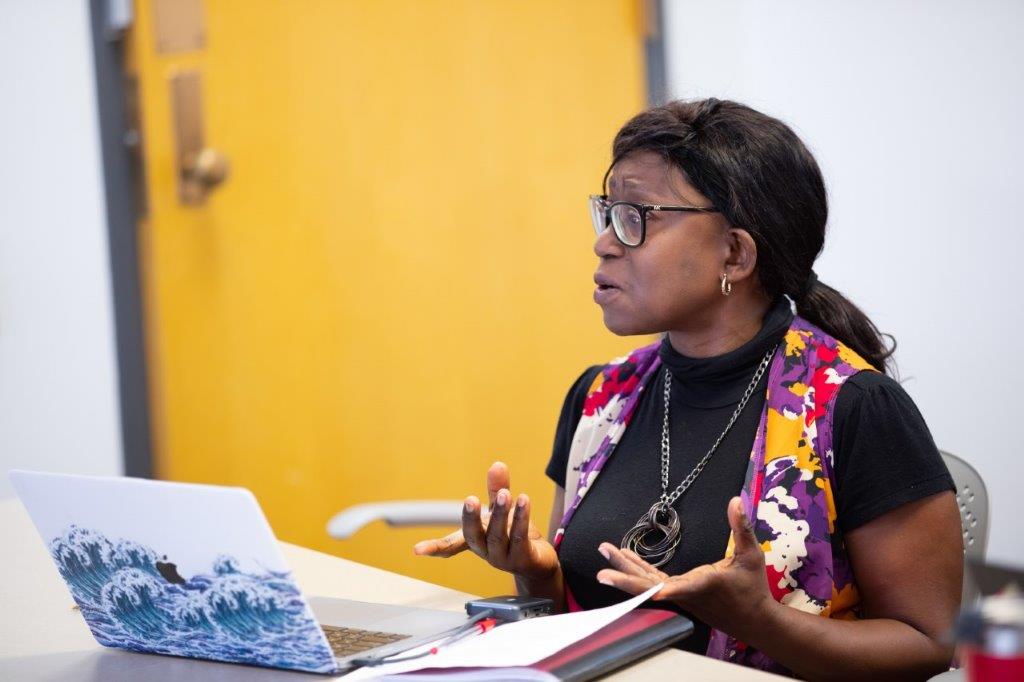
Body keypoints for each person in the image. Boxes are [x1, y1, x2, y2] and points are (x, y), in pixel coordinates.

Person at [414, 99, 962, 679]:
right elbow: (581, 629)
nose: (604, 243)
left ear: (734, 252)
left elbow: (927, 644)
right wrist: (535, 570)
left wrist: (758, 619)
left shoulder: (854, 406)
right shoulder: (601, 397)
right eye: (607, 213)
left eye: (636, 217)